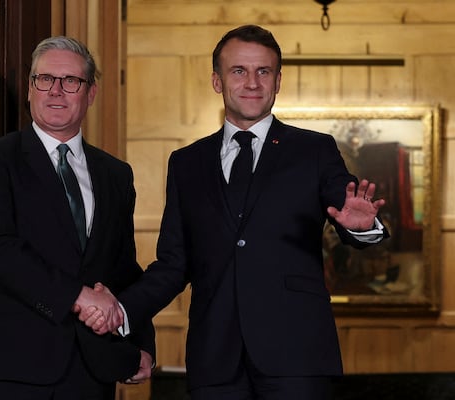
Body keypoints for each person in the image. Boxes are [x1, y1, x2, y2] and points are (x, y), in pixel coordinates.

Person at [78, 25, 389, 400]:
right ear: (217, 80)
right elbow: (174, 264)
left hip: (297, 359)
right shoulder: (186, 163)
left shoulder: (315, 151)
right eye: (238, 71)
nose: (252, 82)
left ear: (278, 81)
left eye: (264, 72)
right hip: (215, 359)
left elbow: (350, 210)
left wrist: (363, 226)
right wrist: (123, 310)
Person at [0, 36, 155, 400]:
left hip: (91, 369)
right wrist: (78, 297)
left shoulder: (116, 174)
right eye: (44, 79)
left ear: (90, 93)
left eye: (71, 81)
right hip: (10, 367)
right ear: (31, 89)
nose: (56, 91)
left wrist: (140, 339)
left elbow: (123, 266)